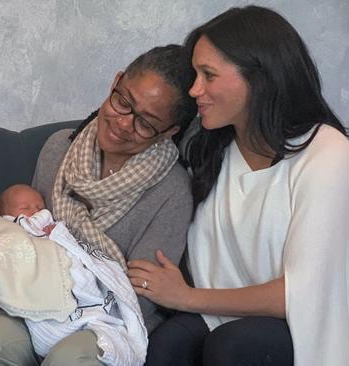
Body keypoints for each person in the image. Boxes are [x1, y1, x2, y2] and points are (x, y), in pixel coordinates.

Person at [128, 6, 349, 366]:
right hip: (220, 317)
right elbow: (127, 126)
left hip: (303, 327)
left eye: (208, 75)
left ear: (258, 78)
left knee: (236, 345)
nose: (194, 89)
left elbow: (300, 295)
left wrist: (184, 297)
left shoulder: (328, 154)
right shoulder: (208, 148)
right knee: (167, 343)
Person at [0, 44, 198, 365]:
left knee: (68, 359)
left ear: (167, 132)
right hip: (38, 300)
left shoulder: (172, 189)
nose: (124, 123)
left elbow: (140, 293)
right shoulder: (59, 147)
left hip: (105, 318)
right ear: (115, 83)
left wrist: (73, 312)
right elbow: (32, 236)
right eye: (124, 101)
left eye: (146, 123)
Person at [0, 184, 147, 366]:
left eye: (40, 207)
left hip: (86, 307)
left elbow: (78, 253)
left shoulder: (56, 226)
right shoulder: (11, 230)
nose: (35, 211)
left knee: (82, 280)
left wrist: (60, 236)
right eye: (25, 208)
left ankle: (91, 307)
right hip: (41, 294)